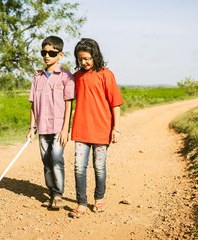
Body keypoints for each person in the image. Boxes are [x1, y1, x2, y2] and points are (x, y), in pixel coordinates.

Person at [69, 38, 124, 218]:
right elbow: (60, 85)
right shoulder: (76, 77)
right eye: (80, 59)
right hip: (81, 130)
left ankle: (99, 198)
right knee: (79, 167)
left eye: (87, 58)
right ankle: (81, 202)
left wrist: (116, 129)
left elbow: (115, 103)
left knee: (99, 167)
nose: (83, 62)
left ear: (95, 56)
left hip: (102, 130)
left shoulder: (106, 75)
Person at [27, 36, 75, 210]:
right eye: (44, 52)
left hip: (58, 128)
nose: (47, 56)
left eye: (51, 53)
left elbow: (69, 104)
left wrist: (65, 130)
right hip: (42, 128)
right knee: (46, 161)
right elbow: (33, 105)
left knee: (56, 158)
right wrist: (32, 128)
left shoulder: (66, 76)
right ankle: (51, 191)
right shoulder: (37, 77)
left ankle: (58, 194)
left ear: (60, 54)